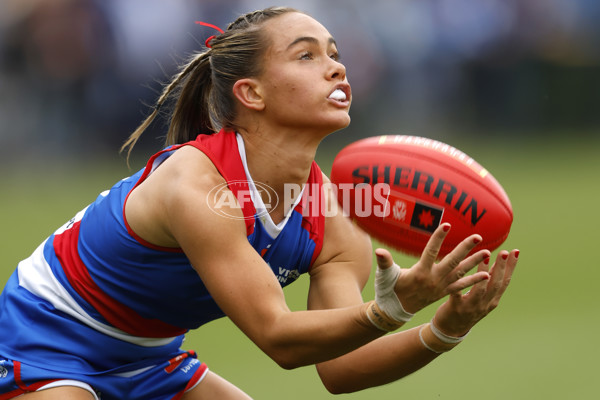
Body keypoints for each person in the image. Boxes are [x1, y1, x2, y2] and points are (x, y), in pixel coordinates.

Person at [0, 6, 519, 399]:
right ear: (251, 94)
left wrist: (446, 327)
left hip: (150, 357)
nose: (336, 68)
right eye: (306, 55)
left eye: (335, 54)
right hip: (45, 335)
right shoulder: (196, 183)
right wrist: (395, 304)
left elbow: (339, 369)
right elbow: (280, 338)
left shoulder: (335, 221)